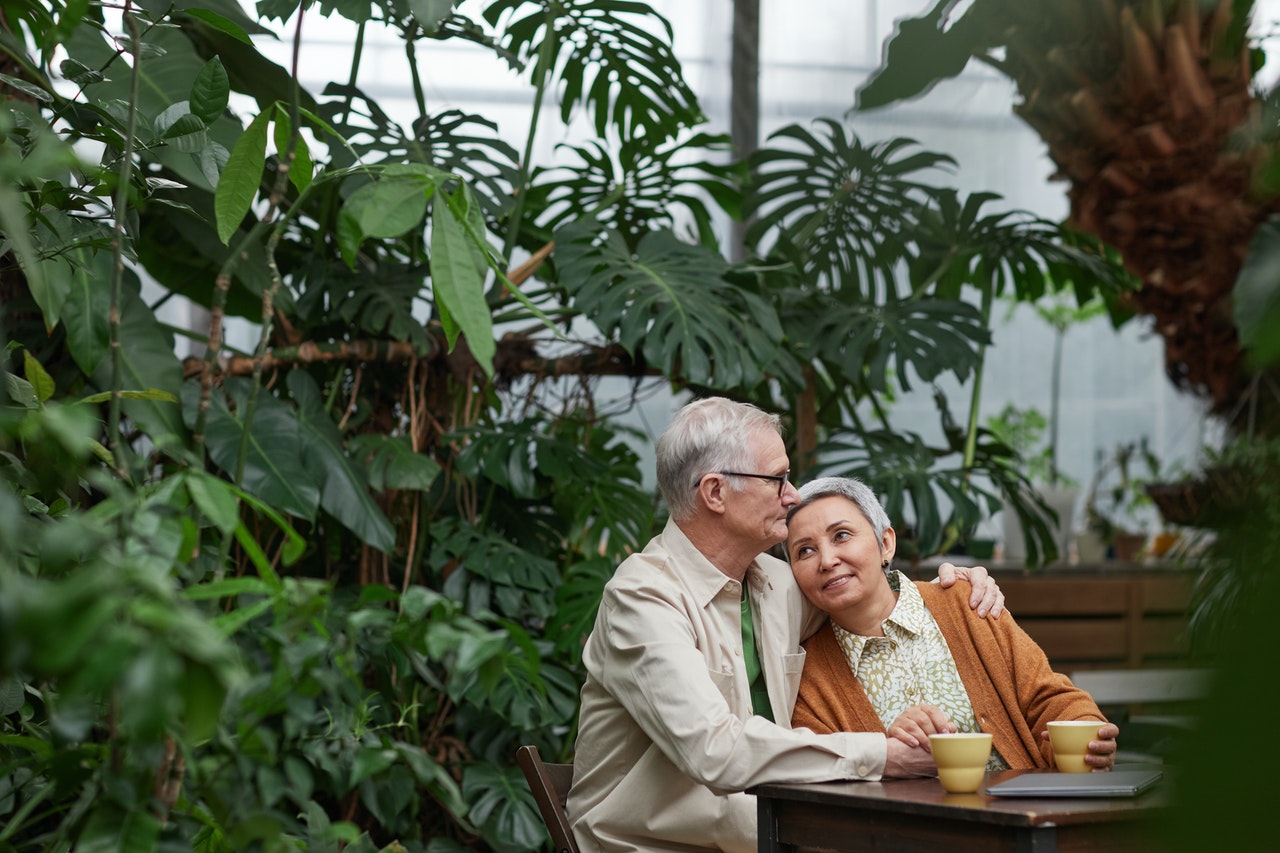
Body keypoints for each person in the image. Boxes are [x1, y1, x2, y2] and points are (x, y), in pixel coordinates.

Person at [566, 397, 1007, 853]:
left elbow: (866, 593)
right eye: (777, 479)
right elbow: (715, 751)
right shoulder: (642, 599)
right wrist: (883, 755)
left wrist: (948, 592)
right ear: (715, 493)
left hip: (776, 835)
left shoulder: (776, 583)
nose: (793, 495)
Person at [786, 475, 1119, 776]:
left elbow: (1046, 696)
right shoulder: (809, 675)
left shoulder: (967, 602)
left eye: (841, 535)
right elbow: (825, 783)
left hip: (1021, 818)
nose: (827, 560)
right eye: (805, 551)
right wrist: (885, 751)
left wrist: (1086, 733)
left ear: (885, 543)